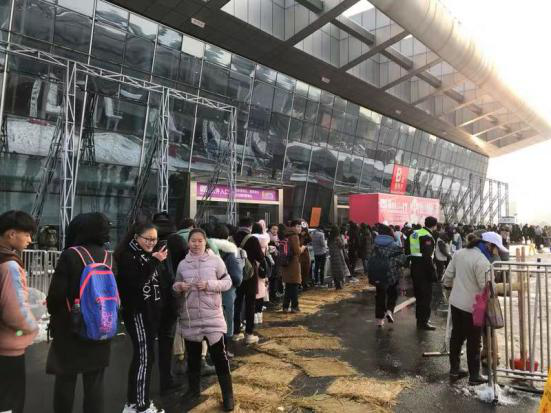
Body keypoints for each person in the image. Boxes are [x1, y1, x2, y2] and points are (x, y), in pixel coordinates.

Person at [46, 213, 113, 413]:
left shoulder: (71, 255)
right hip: (100, 327)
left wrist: (54, 316)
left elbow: (56, 296)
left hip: (70, 329)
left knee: (65, 382)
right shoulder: (109, 257)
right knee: (95, 385)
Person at [173, 228, 234, 412]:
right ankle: (193, 390)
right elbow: (175, 286)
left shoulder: (215, 261)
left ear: (205, 242)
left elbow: (228, 282)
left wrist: (209, 285)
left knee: (220, 357)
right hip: (191, 318)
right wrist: (179, 286)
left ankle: (228, 396)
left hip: (212, 317)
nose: (196, 244)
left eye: (200, 240)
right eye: (193, 240)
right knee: (193, 358)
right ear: (188, 243)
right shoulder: (183, 264)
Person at [115, 222, 168, 413]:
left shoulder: (147, 254)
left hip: (150, 313)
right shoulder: (128, 256)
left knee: (145, 357)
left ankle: (134, 402)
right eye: (148, 239)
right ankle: (141, 405)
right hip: (137, 312)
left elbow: (158, 283)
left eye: (155, 239)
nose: (152, 243)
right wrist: (155, 261)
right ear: (136, 237)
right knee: (145, 357)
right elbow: (135, 284)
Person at [443, 231, 507, 385]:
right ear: (489, 245)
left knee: (457, 336)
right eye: (496, 248)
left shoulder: (459, 253)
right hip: (474, 307)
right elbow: (486, 287)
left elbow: (448, 276)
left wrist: (449, 289)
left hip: (456, 303)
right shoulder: (482, 261)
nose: (497, 252)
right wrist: (497, 287)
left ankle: (454, 369)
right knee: (474, 341)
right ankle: (474, 376)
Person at [0, 211, 38, 413]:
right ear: (11, 234)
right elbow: (14, 312)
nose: (30, 240)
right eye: (27, 234)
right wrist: (32, 327)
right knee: (10, 404)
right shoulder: (10, 265)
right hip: (7, 348)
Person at [152, 212, 186, 394]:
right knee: (166, 338)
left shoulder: (147, 240)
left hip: (149, 298)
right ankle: (166, 379)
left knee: (147, 342)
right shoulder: (177, 240)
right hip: (170, 296)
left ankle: (144, 383)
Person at [232, 217, 266, 344]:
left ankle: (236, 332)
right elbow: (260, 257)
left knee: (237, 303)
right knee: (250, 304)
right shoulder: (252, 239)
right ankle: (249, 334)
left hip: (235, 274)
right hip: (250, 275)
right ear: (250, 226)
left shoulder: (232, 238)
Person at [211, 224, 243, 357]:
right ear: (227, 236)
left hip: (210, 291)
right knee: (226, 321)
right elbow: (237, 277)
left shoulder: (207, 250)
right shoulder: (230, 253)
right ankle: (224, 350)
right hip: (226, 292)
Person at [405, 216, 438, 331]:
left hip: (415, 267)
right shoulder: (427, 236)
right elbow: (427, 257)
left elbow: (407, 250)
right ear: (434, 225)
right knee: (426, 297)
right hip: (424, 269)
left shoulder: (414, 233)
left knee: (419, 296)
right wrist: (433, 272)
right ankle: (423, 322)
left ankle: (420, 320)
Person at [371, 225, 407, 327]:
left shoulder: (375, 246)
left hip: (378, 275)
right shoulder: (395, 246)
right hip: (392, 275)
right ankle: (390, 310)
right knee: (393, 294)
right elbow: (402, 260)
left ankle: (379, 320)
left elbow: (371, 259)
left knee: (380, 295)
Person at [279, 220, 303, 312]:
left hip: (286, 263)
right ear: (293, 227)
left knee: (289, 286)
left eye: (300, 227)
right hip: (293, 264)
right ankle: (294, 306)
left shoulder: (286, 234)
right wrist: (302, 248)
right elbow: (297, 251)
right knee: (294, 285)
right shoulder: (294, 236)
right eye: (298, 226)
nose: (300, 228)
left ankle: (285, 307)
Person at [328, 226, 349, 290]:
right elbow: (342, 245)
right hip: (338, 255)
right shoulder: (337, 238)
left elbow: (328, 246)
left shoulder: (330, 238)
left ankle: (337, 284)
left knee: (334, 271)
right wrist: (345, 243)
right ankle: (340, 285)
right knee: (340, 270)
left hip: (332, 256)